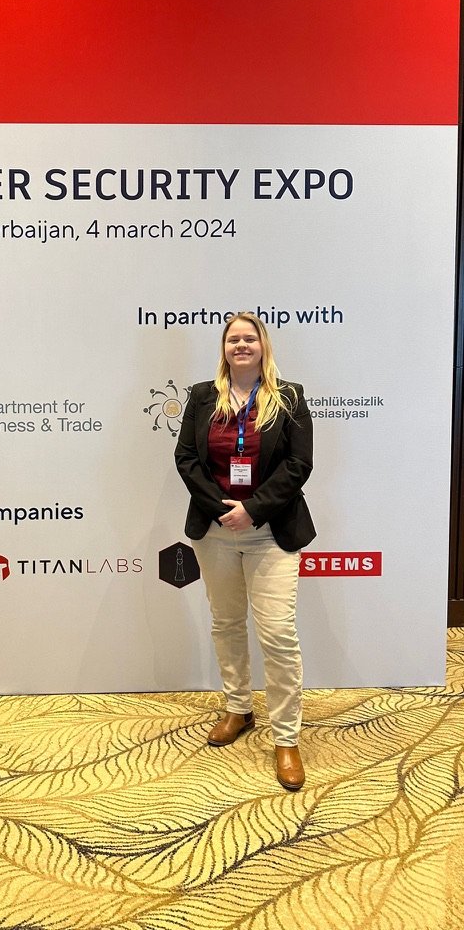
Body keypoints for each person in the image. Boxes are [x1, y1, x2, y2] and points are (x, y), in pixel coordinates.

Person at [174, 312, 315, 791]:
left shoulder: (289, 397)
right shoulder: (202, 396)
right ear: (224, 348)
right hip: (215, 530)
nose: (240, 345)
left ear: (262, 346)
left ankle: (286, 736)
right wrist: (222, 509)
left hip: (271, 531)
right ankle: (238, 708)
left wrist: (252, 509)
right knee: (227, 623)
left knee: (277, 633)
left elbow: (299, 463)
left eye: (249, 338)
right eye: (232, 338)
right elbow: (186, 458)